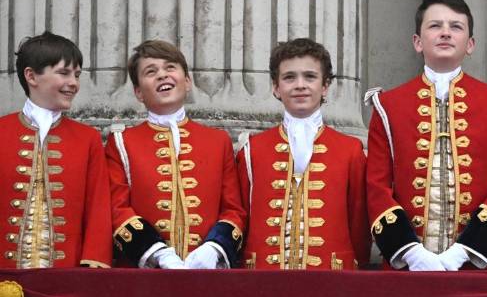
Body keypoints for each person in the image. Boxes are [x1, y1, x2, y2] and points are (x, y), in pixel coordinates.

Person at [365, 0, 487, 271]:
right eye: (435, 26)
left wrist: (465, 251)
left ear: (470, 44)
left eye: (456, 27)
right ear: (417, 41)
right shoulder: (387, 105)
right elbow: (376, 187)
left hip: (479, 265)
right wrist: (410, 252)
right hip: (408, 266)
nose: (446, 33)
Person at [108, 40, 246, 269]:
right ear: (139, 92)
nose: (162, 75)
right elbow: (116, 208)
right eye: (151, 72)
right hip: (142, 279)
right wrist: (157, 253)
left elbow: (234, 209)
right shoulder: (121, 143)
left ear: (188, 81)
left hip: (206, 276)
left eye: (170, 67)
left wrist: (214, 248)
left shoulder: (218, 141)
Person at [236, 38, 370, 270]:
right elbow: (242, 216)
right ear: (276, 87)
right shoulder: (252, 149)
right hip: (262, 278)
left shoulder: (350, 150)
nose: (300, 85)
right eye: (289, 77)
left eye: (310, 76)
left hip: (331, 276)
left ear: (325, 86)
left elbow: (359, 224)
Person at [0, 32, 111, 268]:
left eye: (77, 75)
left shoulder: (87, 138)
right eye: (64, 73)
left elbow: (98, 210)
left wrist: (92, 267)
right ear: (31, 76)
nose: (73, 83)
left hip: (66, 280)